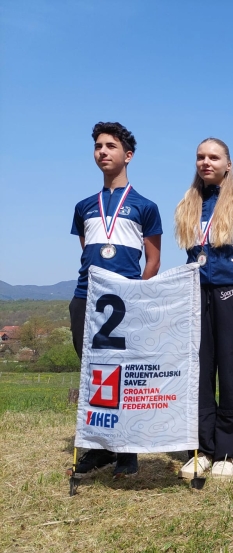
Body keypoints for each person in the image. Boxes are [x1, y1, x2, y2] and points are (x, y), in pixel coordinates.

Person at [69, 122, 163, 478]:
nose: (102, 151)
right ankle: (100, 446)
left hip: (125, 300)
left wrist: (136, 293)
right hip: (86, 296)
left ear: (128, 155)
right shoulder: (83, 206)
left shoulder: (145, 206)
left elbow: (153, 260)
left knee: (125, 373)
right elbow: (88, 252)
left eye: (110, 146)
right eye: (98, 146)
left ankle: (127, 448)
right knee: (94, 373)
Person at [175, 138, 233, 479]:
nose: (205, 162)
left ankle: (229, 451)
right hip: (195, 293)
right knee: (198, 372)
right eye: (200, 157)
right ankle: (201, 449)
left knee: (230, 371)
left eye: (213, 157)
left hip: (230, 292)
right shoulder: (188, 204)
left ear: (228, 164)